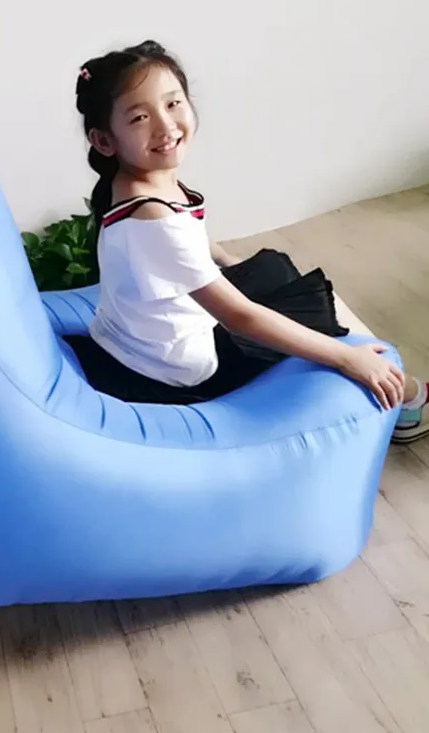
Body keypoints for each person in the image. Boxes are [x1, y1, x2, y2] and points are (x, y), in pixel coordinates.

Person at [63, 39, 429, 444]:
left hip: (137, 339)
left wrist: (223, 259)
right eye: (139, 117)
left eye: (173, 103)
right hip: (181, 371)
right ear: (104, 141)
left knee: (272, 266)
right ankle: (411, 399)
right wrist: (347, 358)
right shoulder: (152, 218)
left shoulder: (134, 183)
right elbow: (241, 318)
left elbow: (184, 240)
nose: (166, 127)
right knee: (319, 312)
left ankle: (394, 381)